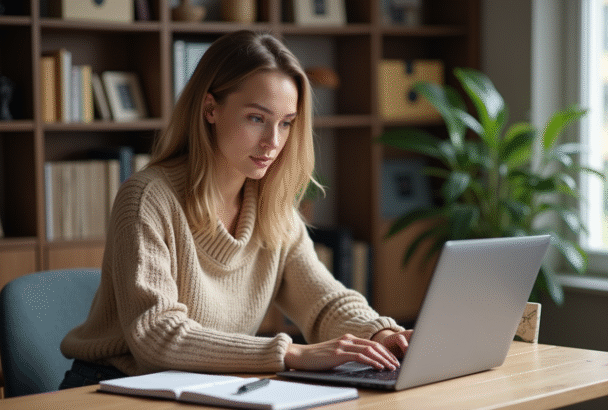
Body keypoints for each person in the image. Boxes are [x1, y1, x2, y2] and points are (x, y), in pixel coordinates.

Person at [59, 30, 412, 389]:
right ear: (211, 109)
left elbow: (324, 301)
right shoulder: (148, 198)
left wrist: (380, 333)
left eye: (286, 122)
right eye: (257, 118)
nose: (273, 142)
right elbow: (157, 336)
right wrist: (291, 354)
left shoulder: (273, 208)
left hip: (206, 386)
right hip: (109, 386)